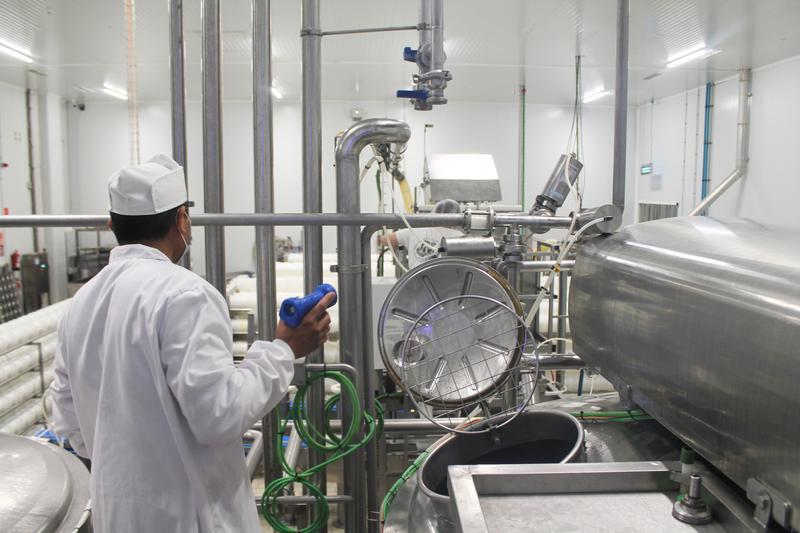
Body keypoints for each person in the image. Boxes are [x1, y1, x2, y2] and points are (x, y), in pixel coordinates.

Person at [48, 154, 333, 532]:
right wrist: (284, 349)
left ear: (111, 224)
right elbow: (220, 414)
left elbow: (70, 425)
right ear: (182, 220)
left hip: (116, 516)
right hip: (187, 516)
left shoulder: (80, 304)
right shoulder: (184, 295)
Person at [380, 198, 463, 268]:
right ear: (459, 217)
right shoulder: (460, 237)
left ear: (435, 213)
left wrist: (398, 247)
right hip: (448, 281)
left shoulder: (414, 231)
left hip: (416, 280)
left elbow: (384, 240)